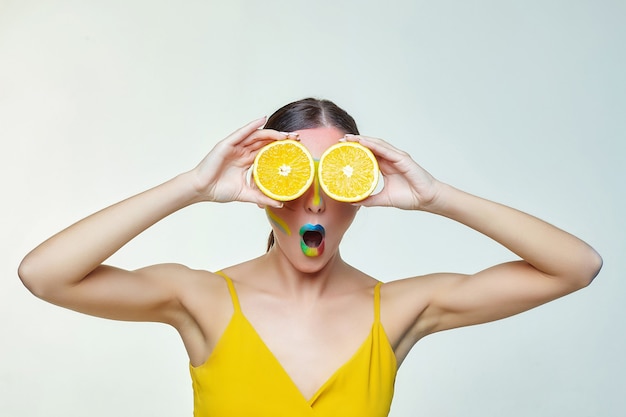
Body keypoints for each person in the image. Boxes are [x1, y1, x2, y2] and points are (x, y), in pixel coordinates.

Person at [18, 98, 602, 417]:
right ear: (261, 184)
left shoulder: (399, 309)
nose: (316, 199)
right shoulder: (200, 298)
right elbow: (43, 275)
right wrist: (193, 185)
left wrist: (437, 196)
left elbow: (576, 266)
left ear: (363, 187)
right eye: (294, 176)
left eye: (337, 178)